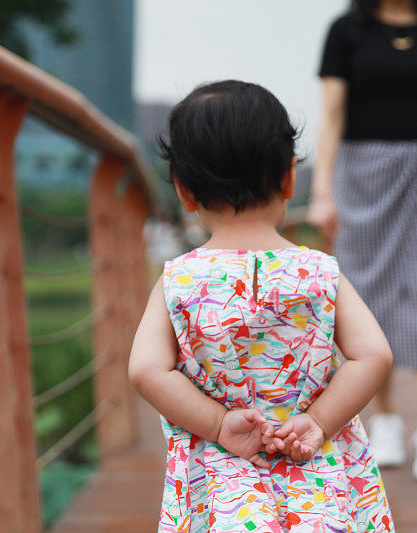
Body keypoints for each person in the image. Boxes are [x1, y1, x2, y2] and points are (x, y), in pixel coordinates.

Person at [128, 80, 396, 532]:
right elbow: (374, 355)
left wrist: (217, 424)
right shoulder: (319, 271)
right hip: (317, 466)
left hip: (219, 477)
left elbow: (146, 371)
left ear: (184, 191)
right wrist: (317, 421)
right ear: (290, 177)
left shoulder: (179, 278)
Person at [309, 0, 417, 484]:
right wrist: (322, 192)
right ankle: (383, 422)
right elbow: (332, 116)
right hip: (360, 175)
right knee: (367, 292)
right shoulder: (346, 31)